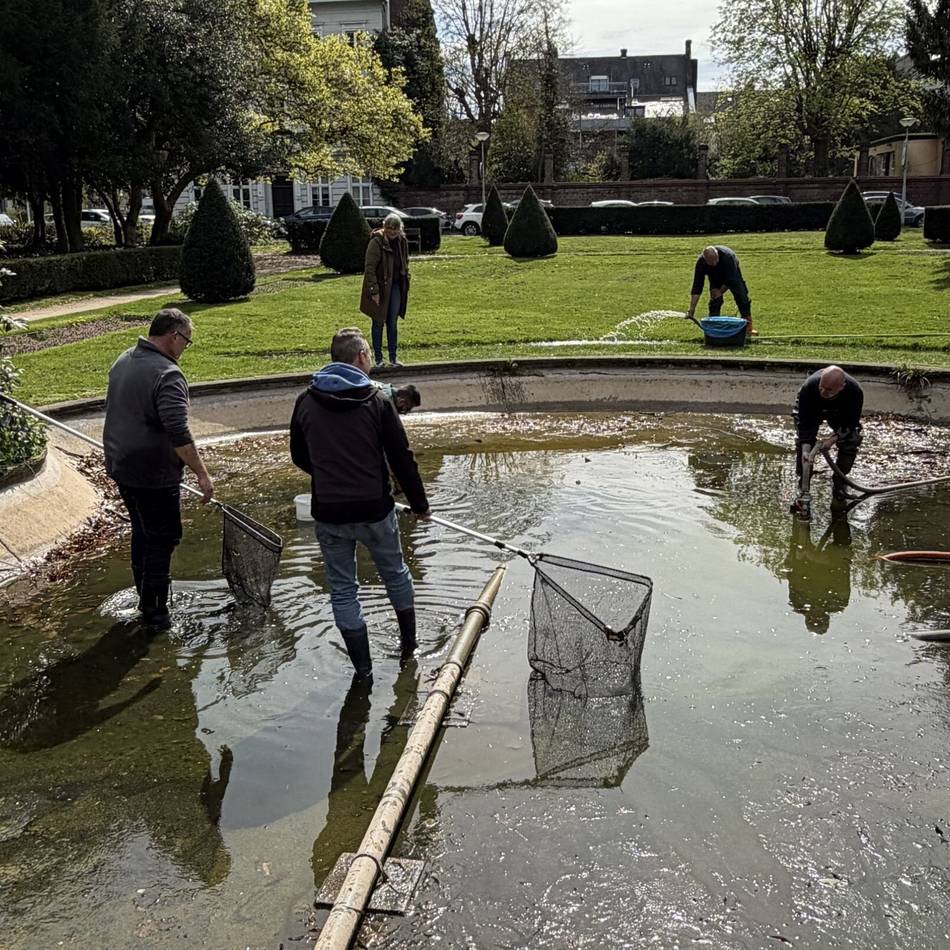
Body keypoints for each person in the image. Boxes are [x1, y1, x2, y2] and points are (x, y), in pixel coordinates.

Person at [290, 327, 430, 679]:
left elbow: (298, 455)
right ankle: (409, 648)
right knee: (396, 573)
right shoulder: (376, 400)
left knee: (343, 590)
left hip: (330, 511)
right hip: (373, 507)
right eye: (368, 357)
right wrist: (420, 504)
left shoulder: (306, 400)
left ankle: (363, 671)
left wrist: (327, 472)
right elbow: (401, 457)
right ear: (362, 358)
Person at [103, 308, 214, 631]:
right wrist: (202, 474)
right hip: (153, 474)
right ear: (173, 336)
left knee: (143, 533)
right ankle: (156, 614)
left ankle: (145, 601)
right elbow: (179, 433)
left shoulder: (123, 359)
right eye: (186, 342)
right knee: (163, 538)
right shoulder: (168, 375)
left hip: (122, 466)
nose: (184, 350)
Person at [791, 365, 864, 514]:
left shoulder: (854, 392)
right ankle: (803, 484)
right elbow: (804, 424)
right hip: (812, 408)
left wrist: (831, 440)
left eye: (829, 390)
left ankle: (840, 483)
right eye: (822, 388)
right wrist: (806, 449)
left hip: (840, 412)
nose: (824, 393)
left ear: (841, 386)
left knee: (851, 440)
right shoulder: (810, 387)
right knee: (804, 445)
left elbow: (850, 424)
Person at [360, 213, 411, 367]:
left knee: (392, 322)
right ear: (384, 227)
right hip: (380, 287)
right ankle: (378, 359)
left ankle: (393, 358)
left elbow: (405, 261)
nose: (392, 232)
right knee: (378, 321)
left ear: (399, 229)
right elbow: (370, 268)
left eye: (395, 229)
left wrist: (406, 277)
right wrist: (374, 291)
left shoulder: (402, 241)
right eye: (389, 229)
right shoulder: (376, 242)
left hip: (395, 286)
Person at [686, 245, 753, 332]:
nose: (714, 263)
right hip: (714, 276)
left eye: (715, 260)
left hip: (732, 272)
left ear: (717, 255)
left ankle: (748, 326)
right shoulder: (701, 263)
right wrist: (691, 309)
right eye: (711, 262)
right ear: (705, 259)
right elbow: (697, 286)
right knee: (715, 299)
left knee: (741, 296)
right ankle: (714, 325)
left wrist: (720, 291)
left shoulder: (728, 257)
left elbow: (730, 279)